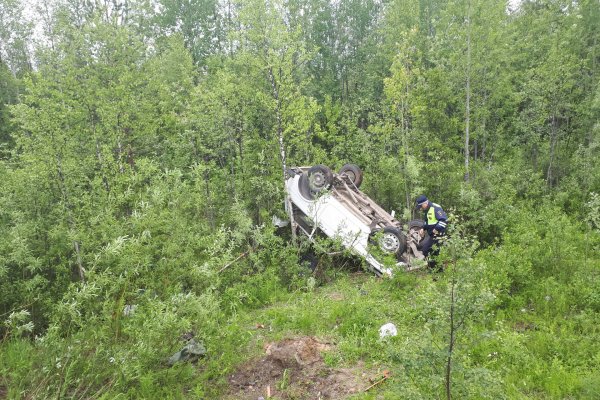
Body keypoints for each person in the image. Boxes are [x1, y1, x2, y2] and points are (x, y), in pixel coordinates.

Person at [415, 195, 447, 262]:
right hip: (433, 235)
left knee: (425, 250)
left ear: (425, 203)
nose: (420, 209)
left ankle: (433, 268)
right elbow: (428, 222)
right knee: (434, 252)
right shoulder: (427, 210)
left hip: (438, 234)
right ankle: (436, 270)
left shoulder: (435, 208)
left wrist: (436, 229)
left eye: (421, 206)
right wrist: (423, 228)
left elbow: (443, 221)